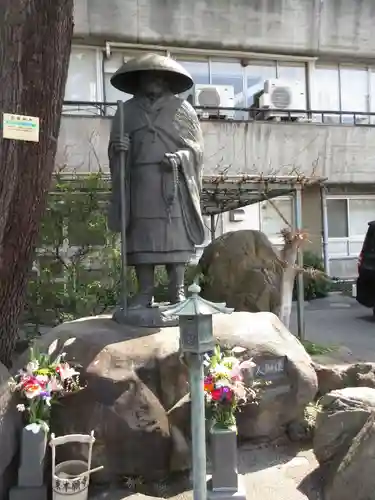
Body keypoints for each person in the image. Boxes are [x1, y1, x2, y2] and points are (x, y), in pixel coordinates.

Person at [108, 53, 205, 308]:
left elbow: (197, 151)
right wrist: (119, 149)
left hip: (173, 181)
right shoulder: (125, 111)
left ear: (166, 80)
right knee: (142, 236)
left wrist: (179, 158)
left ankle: (177, 290)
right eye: (147, 76)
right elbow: (116, 153)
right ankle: (144, 292)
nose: (153, 80)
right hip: (140, 181)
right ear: (138, 81)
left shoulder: (182, 109)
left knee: (175, 235)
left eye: (158, 75)